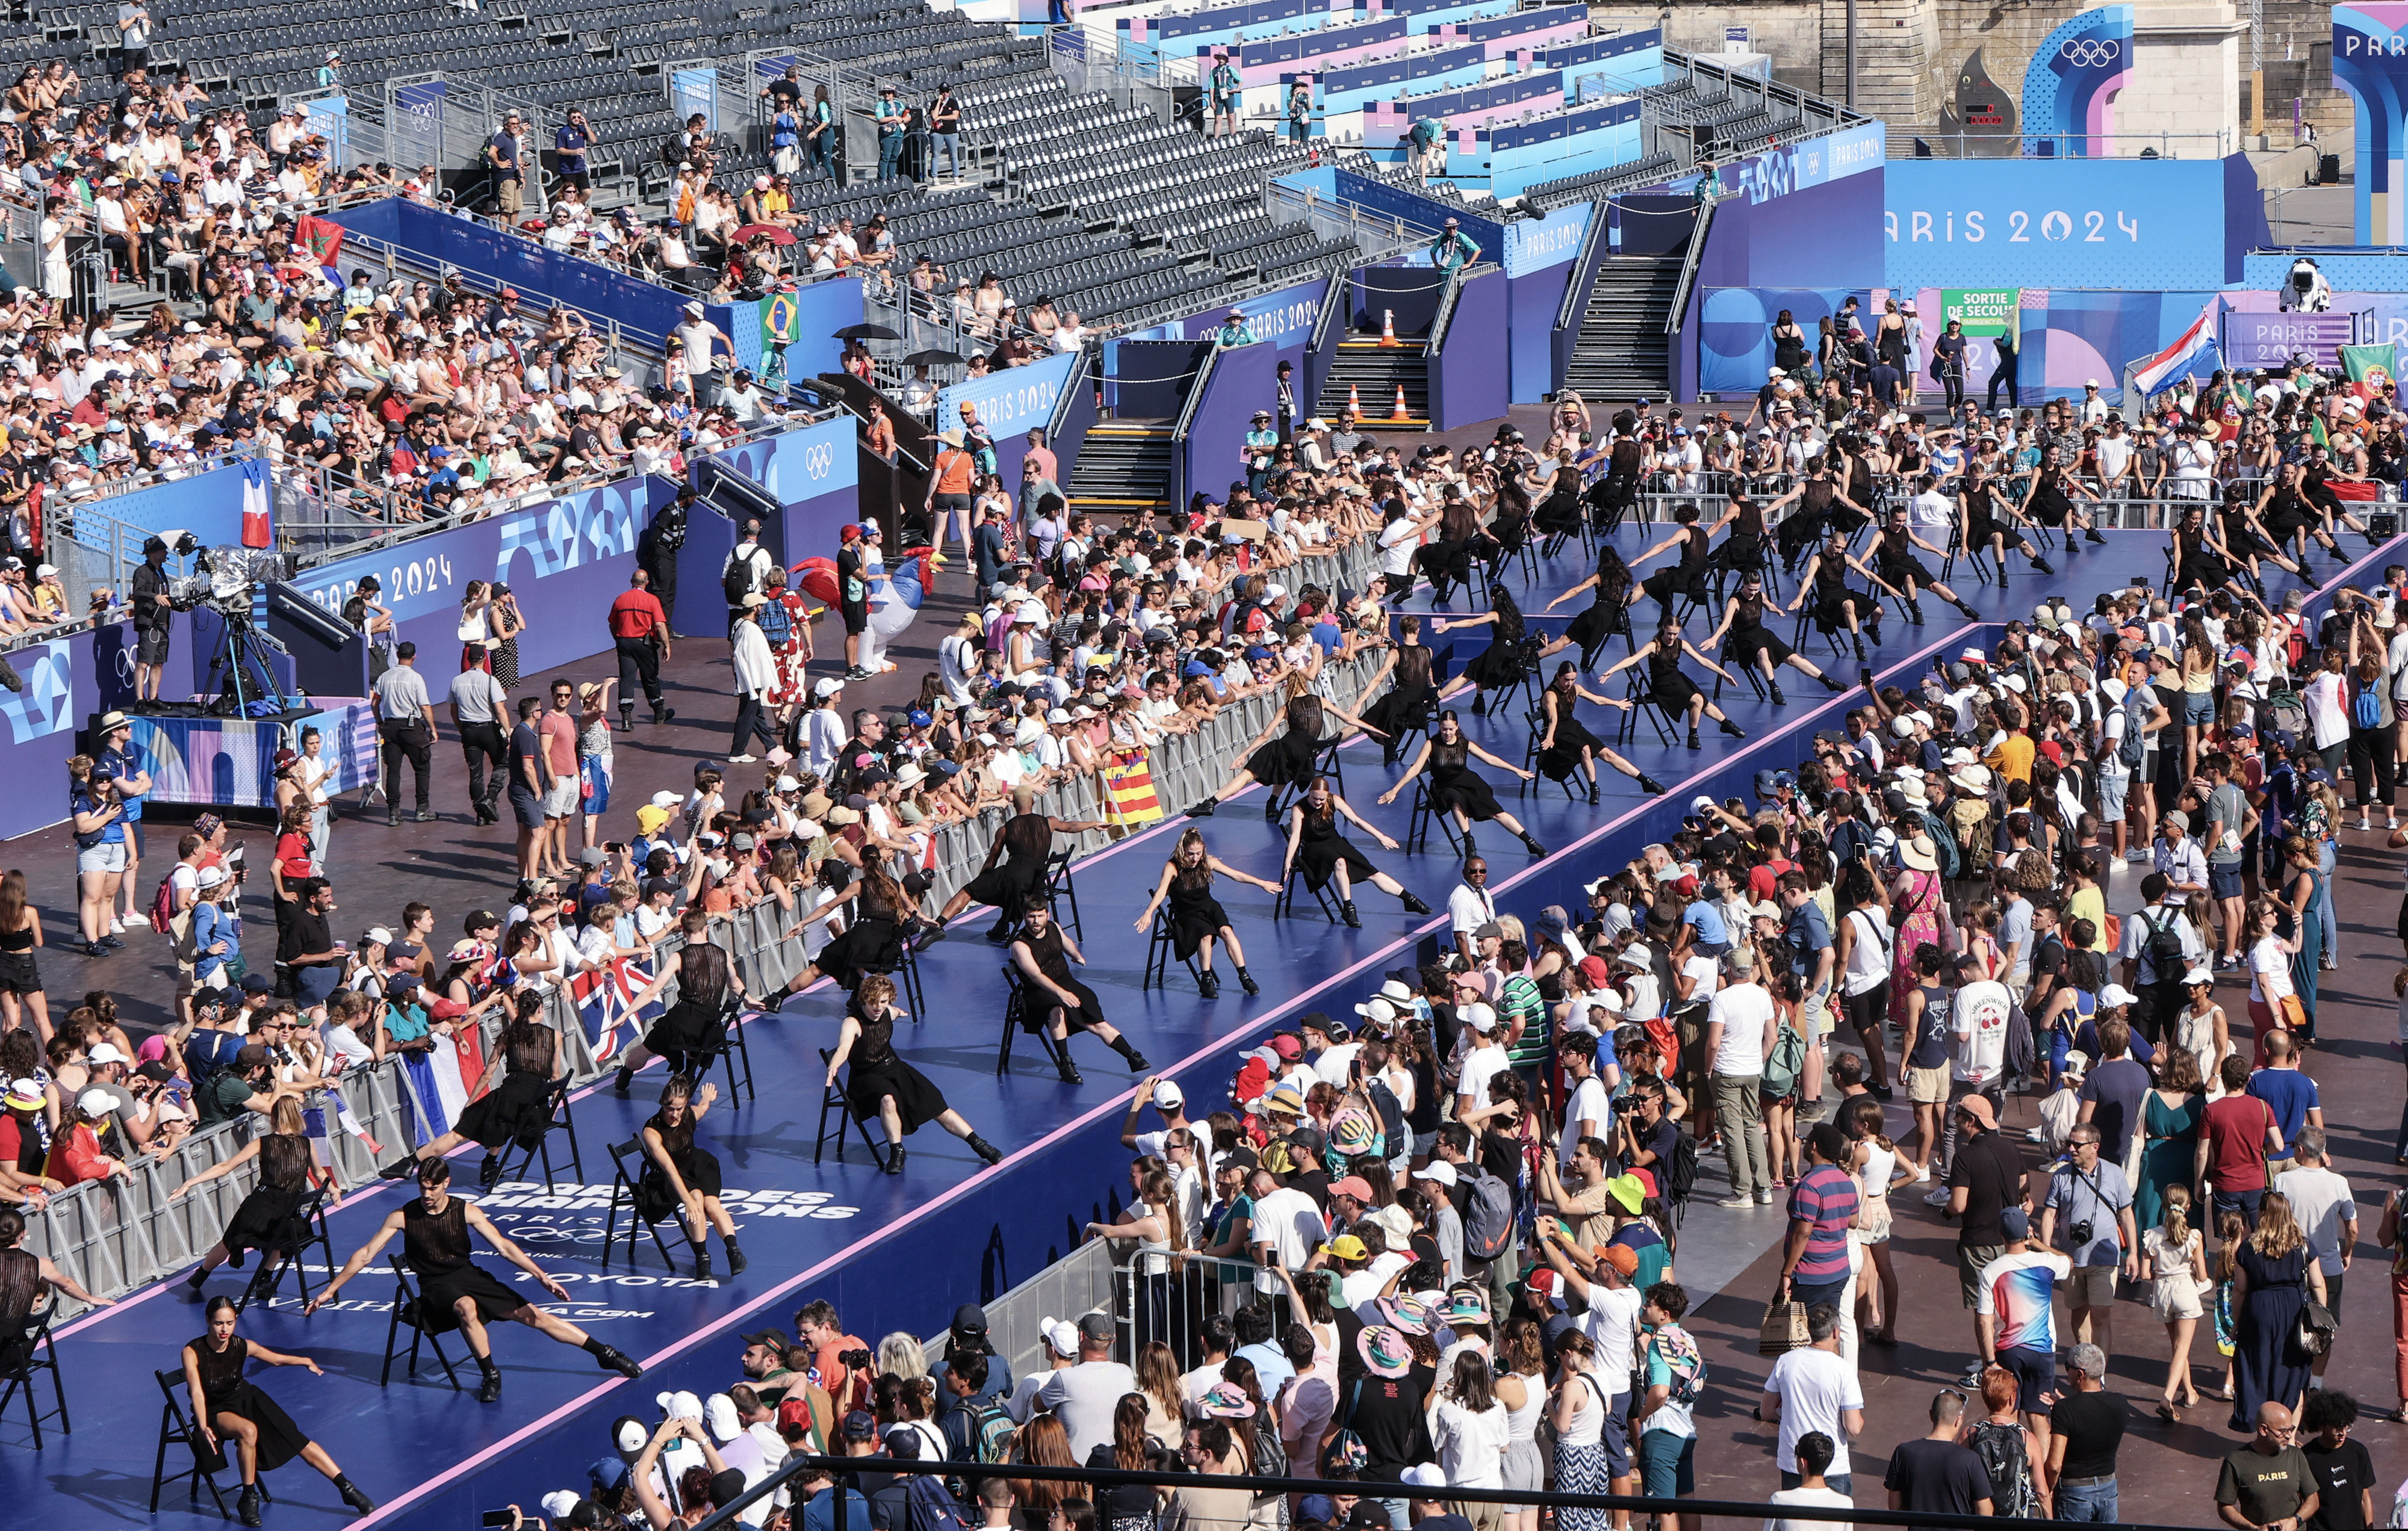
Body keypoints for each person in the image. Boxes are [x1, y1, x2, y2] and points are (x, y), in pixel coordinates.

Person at [308, 1157, 639, 1402]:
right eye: (423, 1187)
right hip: (435, 1286)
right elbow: (365, 1254)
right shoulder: (402, 1217)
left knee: (533, 1316)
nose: (427, 1194)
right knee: (466, 1307)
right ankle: (490, 1374)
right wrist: (329, 1292)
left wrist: (541, 1275)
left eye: (433, 1188)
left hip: (469, 1275)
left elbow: (505, 1247)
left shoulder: (466, 1211)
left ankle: (604, 1353)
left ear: (446, 1184)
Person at [181, 1296, 375, 1526]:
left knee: (296, 1439)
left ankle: (346, 1488)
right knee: (248, 1431)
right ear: (208, 1321)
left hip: (246, 1398)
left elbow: (275, 1360)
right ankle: (248, 1497)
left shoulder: (243, 1346)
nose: (225, 1329)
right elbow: (197, 1393)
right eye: (219, 1323)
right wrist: (203, 1425)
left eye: (230, 1323)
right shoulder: (192, 1351)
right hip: (214, 1410)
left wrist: (305, 1360)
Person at [827, 973, 1005, 1174]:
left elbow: (894, 1012)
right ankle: (897, 1151)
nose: (877, 1007)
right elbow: (843, 1048)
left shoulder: (888, 1012)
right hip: (866, 1076)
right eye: (873, 1002)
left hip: (894, 1067)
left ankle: (978, 1143)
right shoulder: (852, 1023)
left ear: (889, 1000)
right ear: (864, 998)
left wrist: (899, 1012)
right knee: (888, 1099)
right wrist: (834, 1065)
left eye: (883, 1002)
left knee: (937, 1105)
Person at [172, 1095, 318, 1302]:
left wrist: (191, 1182)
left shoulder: (263, 1143)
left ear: (273, 1118)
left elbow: (226, 1167)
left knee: (229, 1240)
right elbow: (321, 1174)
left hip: (259, 1209)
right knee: (279, 1236)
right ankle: (265, 1278)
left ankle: (202, 1274)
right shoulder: (307, 1143)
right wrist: (333, 1191)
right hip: (289, 1214)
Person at [1012, 897, 1150, 1084]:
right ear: (1024, 916)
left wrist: (1076, 955)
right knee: (1057, 1010)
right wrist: (1062, 993)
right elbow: (1036, 976)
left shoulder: (1053, 928)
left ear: (1047, 915)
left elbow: (1067, 943)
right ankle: (1065, 1065)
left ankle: (1131, 1056)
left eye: (1039, 916)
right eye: (1031, 917)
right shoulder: (1020, 945)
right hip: (1037, 992)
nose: (1036, 921)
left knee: (1095, 1021)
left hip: (1065, 982)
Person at [1131, 828, 1280, 998]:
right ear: (1182, 851)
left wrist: (1262, 883)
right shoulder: (1172, 867)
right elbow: (1161, 892)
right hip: (1187, 913)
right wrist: (1149, 912)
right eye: (1190, 854)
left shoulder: (1208, 862)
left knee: (1227, 931)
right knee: (1206, 935)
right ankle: (1206, 980)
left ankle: (1244, 977)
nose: (1194, 858)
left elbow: (1236, 876)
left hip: (1208, 906)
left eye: (1198, 853)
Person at [1377, 710, 1547, 858]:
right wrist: (1395, 790)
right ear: (1439, 728)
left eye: (1451, 729)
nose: (1447, 733)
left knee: (1497, 812)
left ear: (1457, 727)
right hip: (1443, 787)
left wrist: (1515, 770)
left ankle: (1530, 842)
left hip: (1468, 782)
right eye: (1444, 729)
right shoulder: (1431, 744)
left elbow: (1489, 758)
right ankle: (1469, 843)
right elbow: (1415, 769)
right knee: (1455, 799)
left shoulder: (1464, 743)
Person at [612, 910, 750, 1092]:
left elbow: (652, 991)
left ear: (684, 931)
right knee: (688, 1038)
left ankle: (624, 1078)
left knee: (639, 1054)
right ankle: (688, 1074)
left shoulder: (678, 957)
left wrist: (625, 1014)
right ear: (706, 929)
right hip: (711, 1027)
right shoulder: (724, 955)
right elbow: (736, 985)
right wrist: (750, 1000)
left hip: (683, 1023)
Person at [2039, 1122, 2139, 1361]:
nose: (2072, 1149)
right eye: (2069, 1143)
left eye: (2077, 1144)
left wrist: (2133, 1253)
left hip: (2104, 1257)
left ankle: (2098, 1373)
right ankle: (2086, 1361)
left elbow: (2126, 1214)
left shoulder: (2114, 1173)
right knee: (2078, 1313)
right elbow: (2049, 1214)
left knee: (2102, 1315)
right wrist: (2047, 1252)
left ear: (2095, 1147)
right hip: (2071, 1259)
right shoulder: (2062, 1176)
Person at [1280, 776, 1433, 928]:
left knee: (1372, 872)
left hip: (1335, 842)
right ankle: (1348, 908)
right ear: (1309, 793)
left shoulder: (1334, 800)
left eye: (1322, 799)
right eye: (1315, 799)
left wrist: (1380, 836)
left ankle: (1409, 899)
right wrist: (1288, 861)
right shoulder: (1299, 809)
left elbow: (1356, 820)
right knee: (1339, 862)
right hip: (1314, 850)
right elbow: (1296, 836)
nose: (1318, 802)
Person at [2231, 1192, 2327, 1434]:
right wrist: (2321, 1318)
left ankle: (2264, 1432)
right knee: (2294, 1375)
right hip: (2293, 1313)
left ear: (2263, 1213)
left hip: (2258, 1312)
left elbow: (2240, 1290)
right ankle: (2290, 1437)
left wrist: (2236, 1323)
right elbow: (2317, 1284)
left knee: (2258, 1370)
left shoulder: (2247, 1248)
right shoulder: (2303, 1245)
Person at [639, 1073, 745, 1279]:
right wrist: (687, 1200)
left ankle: (734, 1252)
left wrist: (707, 1098)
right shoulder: (652, 1131)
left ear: (686, 1104)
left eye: (679, 1108)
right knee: (696, 1199)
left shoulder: (688, 1115)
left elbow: (702, 1109)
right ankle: (702, 1260)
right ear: (662, 1103)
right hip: (669, 1176)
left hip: (697, 1164)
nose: (675, 1114)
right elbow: (669, 1169)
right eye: (670, 1108)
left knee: (712, 1206)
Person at [2272, 1128, 2354, 1385]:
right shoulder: (2339, 1183)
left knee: (2287, 1324)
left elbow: (2271, 1223)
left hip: (2289, 1266)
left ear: (2300, 1150)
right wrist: (2347, 1252)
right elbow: (2352, 1227)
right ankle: (2316, 1382)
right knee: (2325, 1326)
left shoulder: (2283, 1182)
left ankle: (2289, 1377)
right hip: (2329, 1268)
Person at [1760, 1305, 1861, 1494]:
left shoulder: (1785, 1361)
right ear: (1835, 1332)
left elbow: (1766, 1411)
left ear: (1808, 1331)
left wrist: (1788, 1412)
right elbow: (1854, 1427)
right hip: (1833, 1466)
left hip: (1793, 1462)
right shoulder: (1844, 1370)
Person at [2144, 1183, 2213, 1423]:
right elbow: (2203, 1276)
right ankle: (2167, 1396)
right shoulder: (2194, 1236)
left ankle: (2190, 1393)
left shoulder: (2152, 1235)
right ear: (2188, 1207)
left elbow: (2145, 1273)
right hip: (2184, 1287)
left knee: (2177, 1346)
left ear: (2164, 1205)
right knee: (2182, 1347)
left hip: (2163, 1289)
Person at [2047, 1342, 2127, 1523]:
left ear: (2080, 1374)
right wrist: (2067, 1405)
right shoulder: (2121, 1404)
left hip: (2075, 1493)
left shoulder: (2064, 1410)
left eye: (2068, 1367)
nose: (2067, 1373)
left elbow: (2054, 1465)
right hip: (2109, 1489)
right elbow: (2093, 1415)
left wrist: (2049, 1488)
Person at [1883, 1390, 1994, 1519]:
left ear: (1931, 1415)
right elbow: (1985, 1512)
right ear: (1959, 1420)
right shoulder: (1970, 1460)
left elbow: (1895, 1507)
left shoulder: (1904, 1453)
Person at [2215, 1402, 2320, 1531]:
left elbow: (2313, 1499)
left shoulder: (2295, 1455)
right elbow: (2224, 1507)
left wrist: (2295, 1521)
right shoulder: (2236, 1461)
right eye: (2282, 1431)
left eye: (2290, 1429)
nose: (2288, 1436)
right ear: (2263, 1430)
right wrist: (2254, 1529)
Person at [370, 641, 436, 825]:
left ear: (398, 654)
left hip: (390, 728)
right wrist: (433, 728)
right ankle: (422, 809)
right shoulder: (415, 678)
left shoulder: (385, 677)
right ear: (414, 657)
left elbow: (375, 703)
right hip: (411, 727)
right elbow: (424, 706)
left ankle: (393, 812)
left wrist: (379, 723)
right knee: (422, 768)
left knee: (393, 771)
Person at [607, 567, 675, 729]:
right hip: (644, 644)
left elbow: (612, 623)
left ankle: (625, 718)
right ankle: (659, 713)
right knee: (650, 678)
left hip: (624, 643)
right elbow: (660, 625)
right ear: (647, 583)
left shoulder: (621, 599)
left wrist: (618, 638)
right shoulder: (652, 600)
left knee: (626, 679)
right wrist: (667, 646)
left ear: (632, 582)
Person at [2299, 1390, 2375, 1530]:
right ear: (2321, 1425)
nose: (2343, 1433)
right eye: (2337, 1428)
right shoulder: (2307, 1456)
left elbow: (2365, 1497)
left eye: (2347, 1426)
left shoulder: (2359, 1452)